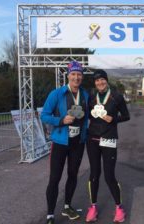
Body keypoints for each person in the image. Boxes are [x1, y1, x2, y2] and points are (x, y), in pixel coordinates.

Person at [41, 61, 89, 224]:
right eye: (73, 74)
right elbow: (44, 115)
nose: (76, 77)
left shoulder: (85, 94)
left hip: (78, 143)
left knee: (73, 175)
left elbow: (88, 116)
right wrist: (61, 120)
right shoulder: (56, 94)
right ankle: (50, 214)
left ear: (82, 77)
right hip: (60, 142)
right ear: (68, 76)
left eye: (79, 74)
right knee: (55, 178)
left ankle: (67, 206)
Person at [85, 69, 130, 223]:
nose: (100, 83)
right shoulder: (91, 95)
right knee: (94, 174)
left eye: (102, 79)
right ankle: (93, 207)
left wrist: (114, 119)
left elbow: (126, 116)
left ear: (106, 80)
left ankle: (119, 208)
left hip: (109, 139)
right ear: (94, 83)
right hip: (92, 139)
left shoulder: (116, 96)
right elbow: (85, 113)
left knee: (109, 175)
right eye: (97, 80)